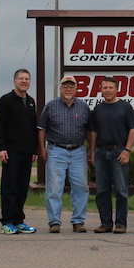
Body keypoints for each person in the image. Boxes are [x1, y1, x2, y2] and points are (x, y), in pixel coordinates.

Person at [38, 75, 91, 233]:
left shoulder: (83, 107)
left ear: (76, 89)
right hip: (56, 151)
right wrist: (42, 148)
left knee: (81, 187)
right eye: (65, 86)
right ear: (60, 88)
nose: (68, 89)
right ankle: (54, 222)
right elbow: (41, 128)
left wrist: (92, 150)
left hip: (78, 152)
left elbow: (90, 130)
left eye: (71, 86)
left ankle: (78, 221)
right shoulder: (51, 106)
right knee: (54, 188)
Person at [89, 77, 134, 234]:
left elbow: (133, 129)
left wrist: (127, 150)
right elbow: (93, 131)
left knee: (121, 190)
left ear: (116, 89)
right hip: (101, 152)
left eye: (111, 87)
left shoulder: (125, 107)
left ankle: (120, 223)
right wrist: (92, 151)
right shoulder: (98, 109)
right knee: (102, 190)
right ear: (101, 90)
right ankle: (105, 223)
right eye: (105, 88)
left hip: (119, 152)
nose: (108, 90)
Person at [0, 69, 38, 235]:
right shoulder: (6, 100)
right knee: (9, 188)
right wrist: (1, 148)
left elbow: (33, 127)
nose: (24, 81)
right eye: (21, 78)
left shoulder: (31, 101)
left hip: (27, 152)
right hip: (11, 152)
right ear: (14, 81)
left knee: (21, 188)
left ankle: (19, 220)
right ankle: (6, 222)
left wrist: (34, 149)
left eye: (27, 79)